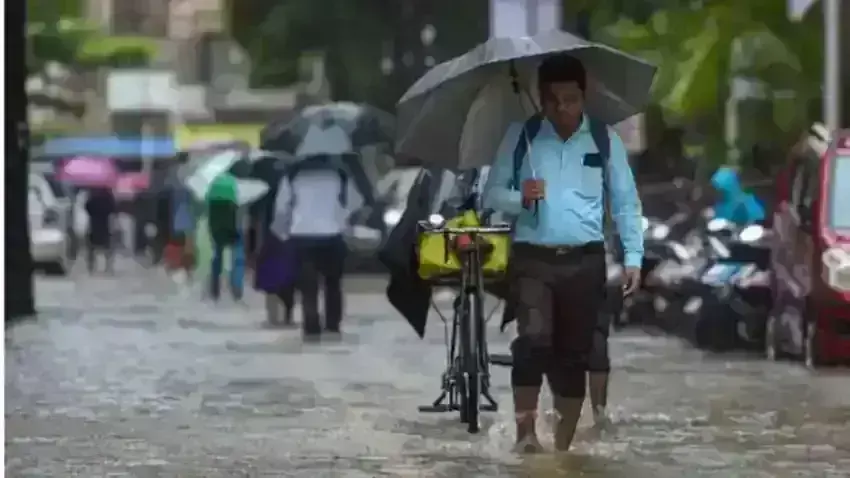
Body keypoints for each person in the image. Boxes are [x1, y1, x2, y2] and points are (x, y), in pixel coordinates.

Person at [482, 54, 644, 453]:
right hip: (532, 257)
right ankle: (524, 436)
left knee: (575, 355)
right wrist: (522, 197)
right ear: (541, 97)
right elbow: (492, 196)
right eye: (553, 100)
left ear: (583, 96)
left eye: (570, 99)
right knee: (534, 339)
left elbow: (625, 202)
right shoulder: (522, 137)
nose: (562, 109)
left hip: (585, 259)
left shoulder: (604, 140)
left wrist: (633, 257)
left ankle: (563, 450)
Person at [270, 157, 363, 340]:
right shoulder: (339, 174)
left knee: (308, 285)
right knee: (333, 284)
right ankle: (332, 325)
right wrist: (341, 218)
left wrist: (282, 233)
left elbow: (282, 208)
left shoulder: (292, 175)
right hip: (332, 235)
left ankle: (311, 326)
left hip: (302, 235)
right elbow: (355, 203)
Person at [249, 180, 295, 326]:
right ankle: (287, 317)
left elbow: (254, 224)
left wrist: (252, 250)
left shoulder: (260, 198)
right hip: (287, 240)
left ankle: (273, 318)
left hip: (269, 242)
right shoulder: (290, 188)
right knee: (288, 280)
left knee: (270, 281)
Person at [206, 175, 246, 301]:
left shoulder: (212, 198)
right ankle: (236, 287)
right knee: (238, 259)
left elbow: (210, 219)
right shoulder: (233, 200)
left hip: (217, 232)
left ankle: (215, 287)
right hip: (233, 231)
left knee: (217, 258)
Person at [84, 188, 117, 273]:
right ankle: (108, 266)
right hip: (105, 225)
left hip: (93, 225)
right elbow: (113, 208)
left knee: (91, 247)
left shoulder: (92, 196)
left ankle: (91, 266)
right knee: (108, 247)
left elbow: (87, 208)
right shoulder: (108, 197)